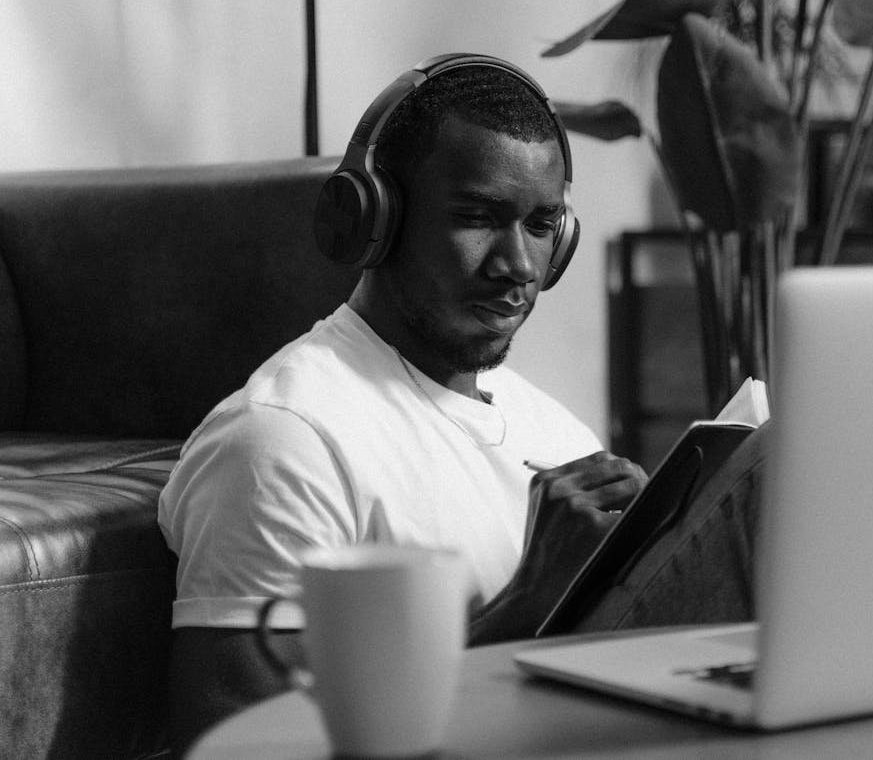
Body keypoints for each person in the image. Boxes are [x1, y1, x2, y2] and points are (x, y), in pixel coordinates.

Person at [158, 54, 762, 754]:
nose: (519, 265)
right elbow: (239, 744)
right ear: (373, 218)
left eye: (542, 226)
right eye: (478, 217)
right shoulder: (281, 442)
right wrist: (527, 600)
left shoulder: (555, 428)